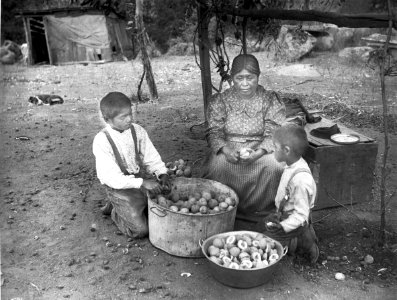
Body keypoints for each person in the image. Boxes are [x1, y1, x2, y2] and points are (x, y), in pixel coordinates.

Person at [203, 53, 286, 226]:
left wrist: (258, 153)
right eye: (239, 78)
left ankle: (261, 211)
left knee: (275, 167)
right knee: (217, 166)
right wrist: (226, 150)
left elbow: (274, 131)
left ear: (258, 76)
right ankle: (224, 207)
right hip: (229, 146)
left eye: (250, 77)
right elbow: (214, 132)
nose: (245, 83)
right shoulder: (222, 100)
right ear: (232, 78)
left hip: (261, 147)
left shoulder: (269, 99)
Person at [92, 92, 170, 238]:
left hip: (140, 180)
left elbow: (151, 156)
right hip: (118, 187)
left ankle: (123, 206)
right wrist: (142, 183)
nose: (129, 119)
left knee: (164, 206)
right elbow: (112, 178)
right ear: (107, 120)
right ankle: (116, 211)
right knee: (141, 230)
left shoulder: (138, 131)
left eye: (130, 114)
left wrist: (161, 172)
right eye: (123, 117)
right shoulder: (102, 141)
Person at [260, 123, 319, 263]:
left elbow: (300, 215)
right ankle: (295, 240)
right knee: (262, 226)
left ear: (286, 150)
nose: (273, 151)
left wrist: (283, 226)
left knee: (262, 244)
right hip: (285, 213)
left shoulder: (301, 181)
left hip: (294, 221)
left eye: (275, 147)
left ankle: (300, 244)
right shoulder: (292, 164)